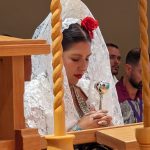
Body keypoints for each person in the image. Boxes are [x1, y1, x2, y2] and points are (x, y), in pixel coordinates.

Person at [24, 0, 123, 135]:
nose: (83, 66)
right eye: (75, 59)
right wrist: (78, 129)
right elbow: (34, 145)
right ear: (55, 55)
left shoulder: (87, 88)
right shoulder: (35, 93)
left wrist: (108, 127)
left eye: (87, 58)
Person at [116, 48, 142, 124]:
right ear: (128, 69)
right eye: (142, 72)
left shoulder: (147, 96)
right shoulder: (113, 97)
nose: (147, 78)